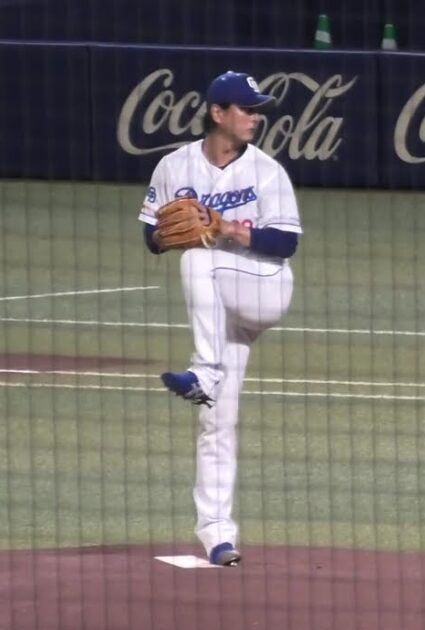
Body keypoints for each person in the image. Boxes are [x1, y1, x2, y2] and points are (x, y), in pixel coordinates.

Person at [137, 70, 301, 567]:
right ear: (217, 113)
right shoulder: (174, 165)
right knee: (216, 422)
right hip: (220, 307)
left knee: (200, 256)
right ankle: (217, 535)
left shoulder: (267, 171)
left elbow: (287, 241)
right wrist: (167, 235)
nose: (255, 117)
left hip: (265, 287)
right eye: (247, 109)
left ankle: (204, 371)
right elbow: (151, 235)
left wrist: (227, 227)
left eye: (256, 110)